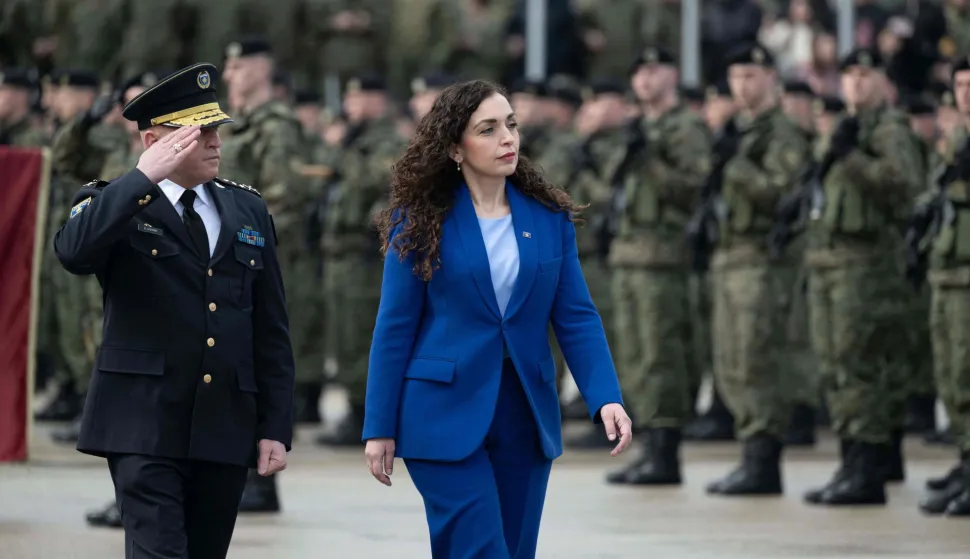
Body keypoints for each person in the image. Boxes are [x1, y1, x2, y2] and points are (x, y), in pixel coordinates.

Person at [362, 80, 633, 559]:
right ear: (455, 148)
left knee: (513, 550)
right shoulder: (419, 220)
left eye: (510, 124)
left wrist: (605, 397)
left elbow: (576, 317)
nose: (507, 138)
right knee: (481, 550)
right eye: (487, 130)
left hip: (524, 414)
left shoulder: (549, 218)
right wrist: (378, 425)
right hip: (440, 415)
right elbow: (394, 327)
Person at [52, 62, 295, 558]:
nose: (214, 141)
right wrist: (141, 179)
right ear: (152, 142)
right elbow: (73, 252)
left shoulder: (246, 209)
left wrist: (274, 426)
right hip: (143, 424)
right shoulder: (113, 202)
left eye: (216, 129)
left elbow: (270, 328)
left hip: (224, 425)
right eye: (197, 131)